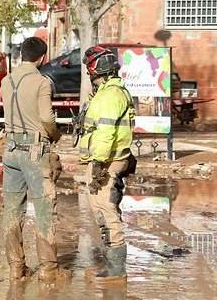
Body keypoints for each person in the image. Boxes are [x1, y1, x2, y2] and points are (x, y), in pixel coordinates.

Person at [0, 37, 64, 283]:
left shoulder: (7, 81)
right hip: (35, 151)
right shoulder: (41, 82)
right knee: (45, 209)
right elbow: (47, 118)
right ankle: (49, 270)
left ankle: (17, 268)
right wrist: (56, 135)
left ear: (22, 55)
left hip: (10, 149)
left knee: (12, 210)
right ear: (42, 58)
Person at [79, 45, 136, 282]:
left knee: (106, 210)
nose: (88, 73)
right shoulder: (109, 92)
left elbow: (105, 133)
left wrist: (99, 165)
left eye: (88, 68)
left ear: (96, 69)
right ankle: (112, 265)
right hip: (107, 159)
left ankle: (116, 271)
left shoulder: (110, 95)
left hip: (108, 161)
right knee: (101, 209)